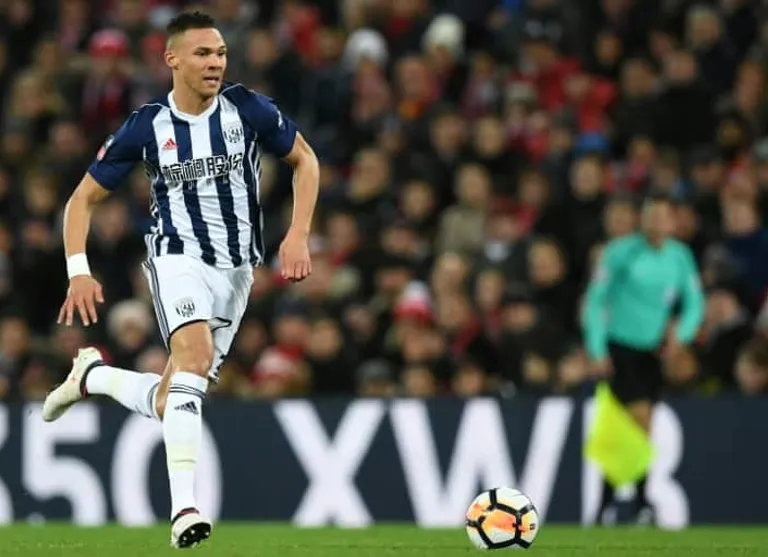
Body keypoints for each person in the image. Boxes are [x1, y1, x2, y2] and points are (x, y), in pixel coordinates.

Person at [41, 11, 319, 549]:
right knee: (192, 358)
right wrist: (79, 271)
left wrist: (298, 235)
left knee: (174, 399)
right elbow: (81, 200)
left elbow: (305, 161)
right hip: (176, 256)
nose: (215, 63)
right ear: (172, 59)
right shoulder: (148, 125)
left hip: (238, 271)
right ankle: (184, 509)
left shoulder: (247, 108)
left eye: (220, 54)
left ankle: (92, 377)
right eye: (203, 54)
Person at [581, 191, 704, 526]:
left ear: (673, 221)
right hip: (621, 348)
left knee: (631, 431)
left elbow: (694, 302)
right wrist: (597, 349)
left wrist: (681, 336)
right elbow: (596, 301)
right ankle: (640, 502)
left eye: (663, 216)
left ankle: (607, 506)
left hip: (654, 353)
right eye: (651, 215)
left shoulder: (680, 257)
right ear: (642, 219)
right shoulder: (620, 253)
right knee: (639, 421)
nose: (656, 222)